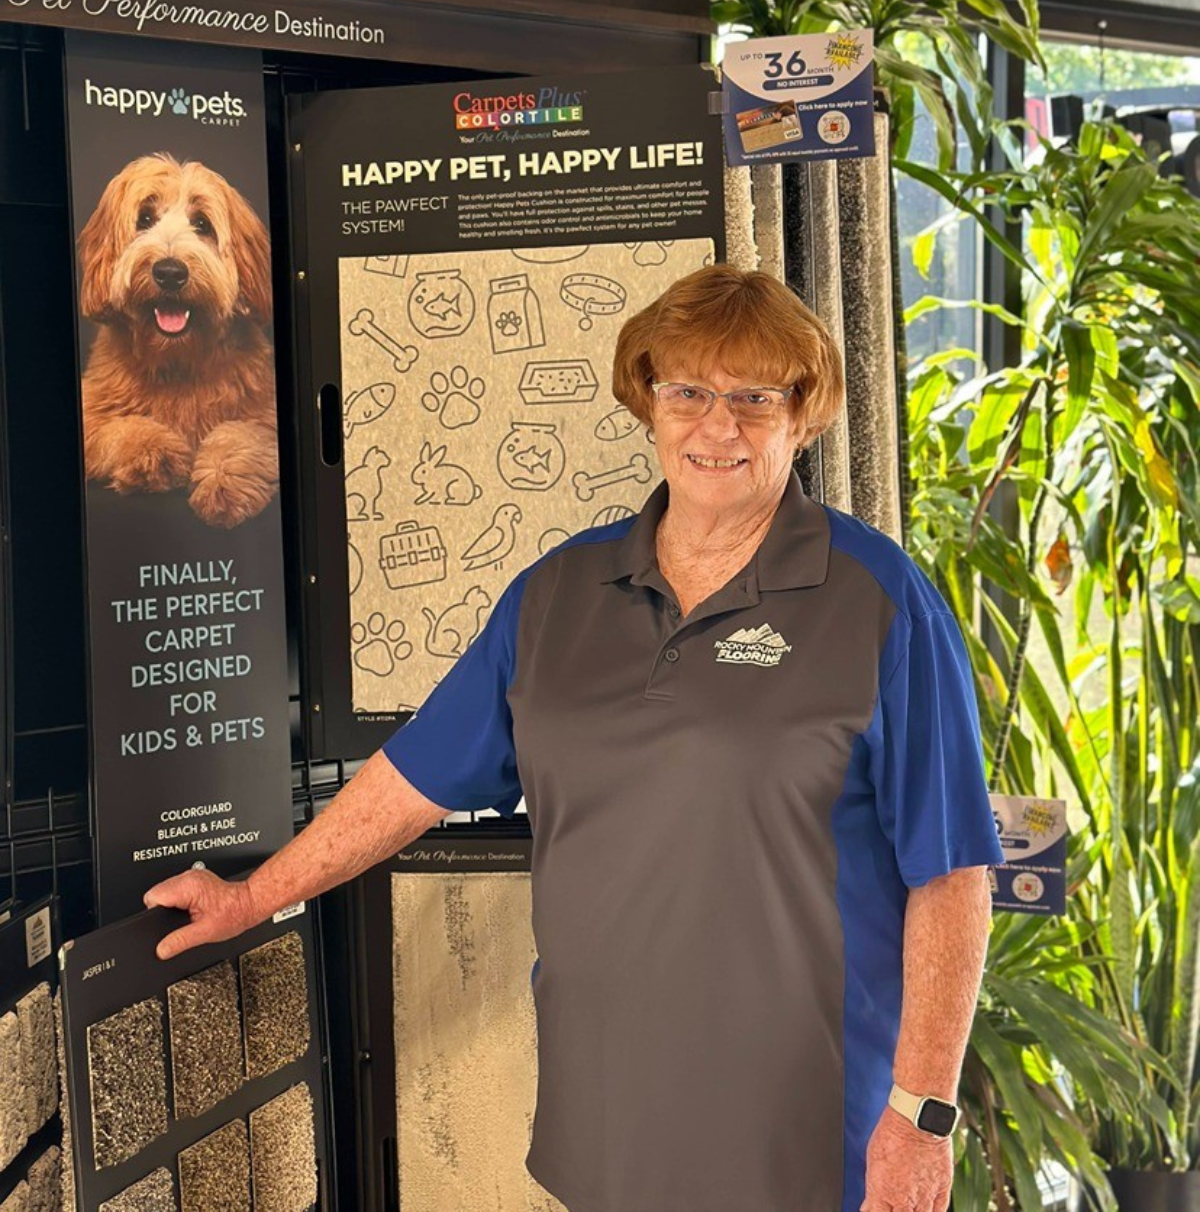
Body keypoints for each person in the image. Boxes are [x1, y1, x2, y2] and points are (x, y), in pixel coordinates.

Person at [146, 264, 1002, 1212]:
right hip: (607, 1128)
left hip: (807, 1137)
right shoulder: (556, 596)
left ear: (803, 413)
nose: (719, 425)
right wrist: (253, 896)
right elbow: (411, 779)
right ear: (649, 403)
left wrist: (921, 1115)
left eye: (756, 397)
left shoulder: (880, 603)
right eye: (689, 391)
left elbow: (953, 871)